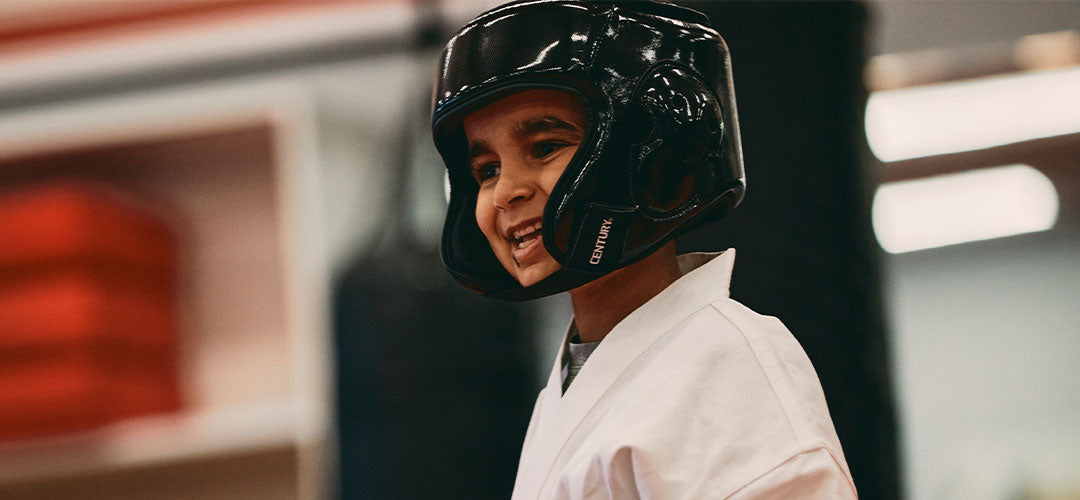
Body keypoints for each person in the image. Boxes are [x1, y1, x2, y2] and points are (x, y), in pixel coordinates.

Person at [430, 1, 856, 498]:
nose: (505, 192)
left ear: (651, 151)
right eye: (487, 170)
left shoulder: (724, 364)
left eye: (545, 147)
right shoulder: (575, 382)